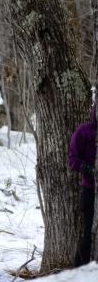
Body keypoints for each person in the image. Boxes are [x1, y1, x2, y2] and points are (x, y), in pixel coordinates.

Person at [69, 101, 97, 266]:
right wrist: (88, 168)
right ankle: (79, 271)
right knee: (89, 232)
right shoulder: (84, 131)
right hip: (90, 190)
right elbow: (72, 160)